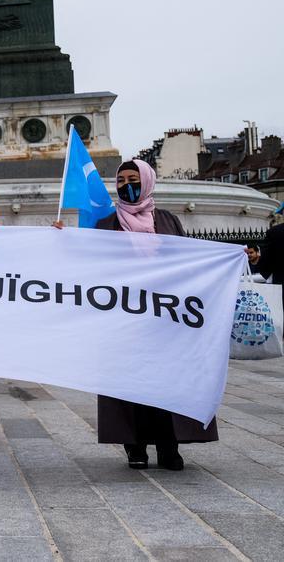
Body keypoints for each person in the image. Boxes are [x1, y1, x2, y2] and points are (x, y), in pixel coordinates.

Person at [55, 160, 217, 470]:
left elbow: (189, 261)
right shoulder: (106, 224)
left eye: (133, 178)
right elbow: (87, 264)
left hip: (164, 319)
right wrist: (62, 240)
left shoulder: (167, 221)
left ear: (147, 181)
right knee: (129, 383)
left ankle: (169, 446)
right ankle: (136, 446)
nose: (126, 184)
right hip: (123, 319)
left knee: (167, 382)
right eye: (120, 179)